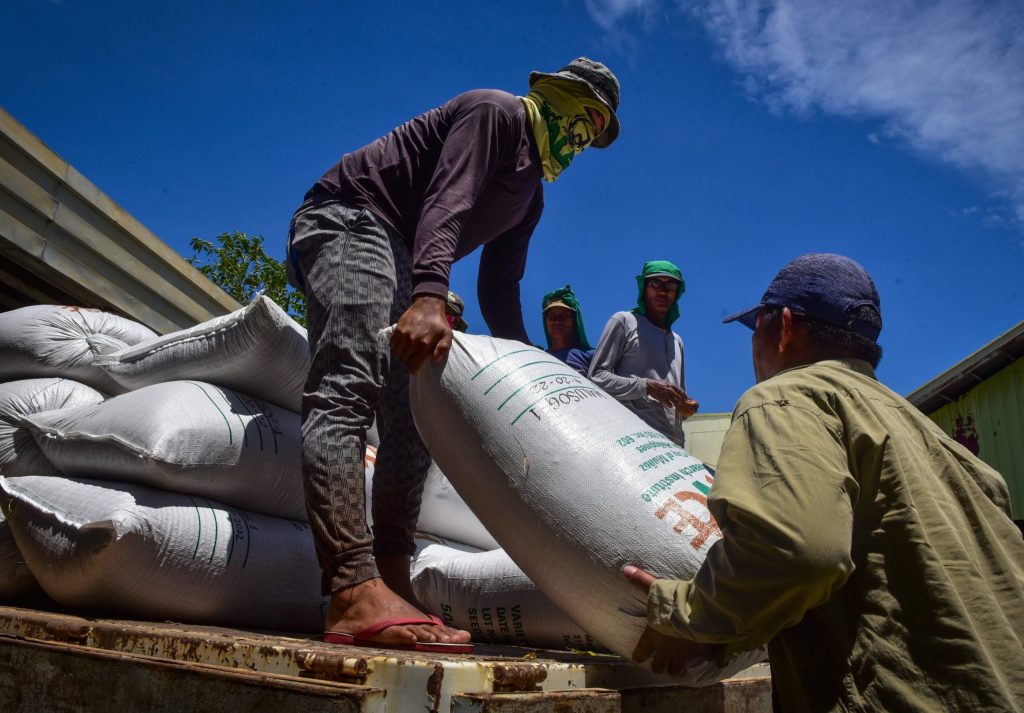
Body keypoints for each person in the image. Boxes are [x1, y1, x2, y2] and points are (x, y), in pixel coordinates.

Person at [286, 57, 620, 651]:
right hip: (352, 218)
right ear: (556, 96)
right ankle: (349, 588)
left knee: (413, 421)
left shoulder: (530, 197)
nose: (583, 138)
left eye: (594, 135)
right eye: (584, 119)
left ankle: (388, 575)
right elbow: (449, 199)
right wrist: (432, 292)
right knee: (348, 384)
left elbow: (498, 287)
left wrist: (529, 370)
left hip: (401, 251)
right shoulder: (498, 113)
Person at [623, 254, 1024, 711]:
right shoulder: (939, 442)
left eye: (756, 326)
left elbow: (795, 554)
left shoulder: (785, 398)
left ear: (785, 325)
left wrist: (686, 615)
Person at [589, 260, 698, 446]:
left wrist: (685, 408)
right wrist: (645, 386)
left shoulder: (677, 341)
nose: (662, 291)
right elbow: (596, 377)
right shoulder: (624, 322)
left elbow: (677, 401)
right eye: (655, 284)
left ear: (676, 293)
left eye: (670, 285)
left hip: (674, 445)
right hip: (635, 440)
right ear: (644, 288)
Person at [541, 285, 594, 376]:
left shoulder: (592, 357)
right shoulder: (537, 357)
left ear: (574, 322)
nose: (557, 322)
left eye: (564, 316)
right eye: (552, 317)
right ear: (545, 322)